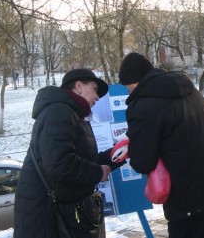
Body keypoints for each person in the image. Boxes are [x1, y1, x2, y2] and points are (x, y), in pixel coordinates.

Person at [118, 52, 204, 238]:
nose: (129, 93)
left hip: (190, 200)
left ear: (135, 82)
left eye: (128, 88)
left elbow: (143, 162)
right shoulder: (189, 90)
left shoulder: (143, 104)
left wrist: (132, 147)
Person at [14, 69, 123, 238]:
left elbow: (88, 161)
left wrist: (121, 152)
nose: (98, 97)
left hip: (60, 215)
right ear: (78, 86)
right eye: (94, 89)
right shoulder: (58, 111)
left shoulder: (73, 114)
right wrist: (96, 172)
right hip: (47, 218)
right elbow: (60, 164)